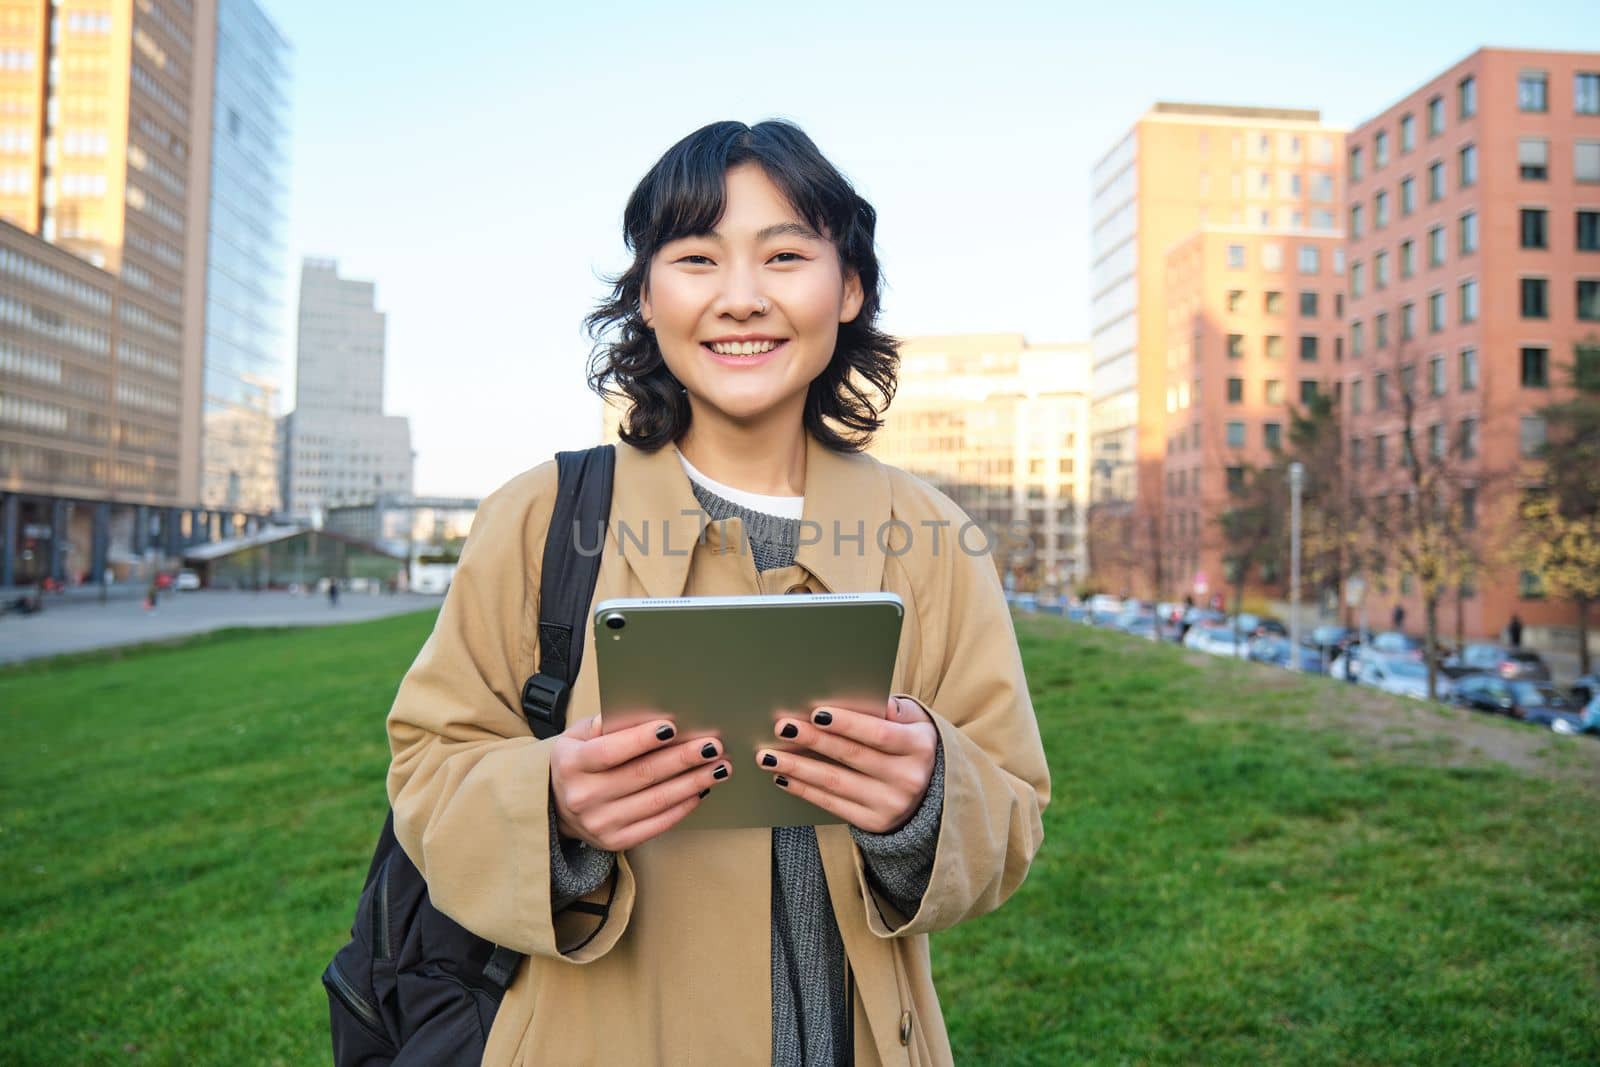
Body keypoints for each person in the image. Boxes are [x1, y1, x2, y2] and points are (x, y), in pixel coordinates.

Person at [383, 121, 1049, 1066]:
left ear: (849, 287)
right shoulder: (539, 516)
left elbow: (1014, 810)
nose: (742, 298)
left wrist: (928, 797)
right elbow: (428, 769)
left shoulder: (934, 535)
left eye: (784, 255)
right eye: (696, 258)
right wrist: (553, 804)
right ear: (647, 298)